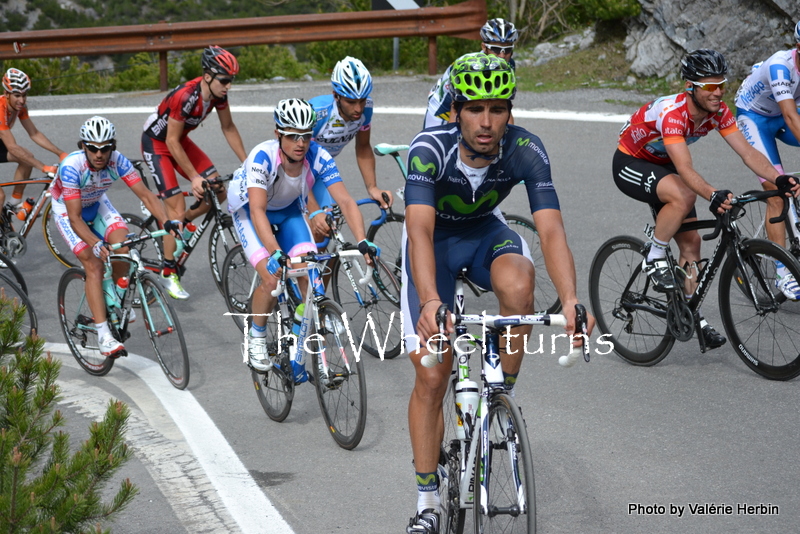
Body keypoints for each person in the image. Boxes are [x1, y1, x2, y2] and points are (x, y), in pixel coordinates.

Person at [402, 53, 593, 534]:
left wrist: (570, 299)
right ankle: (427, 500)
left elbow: (550, 230)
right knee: (432, 375)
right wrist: (429, 301)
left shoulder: (527, 149)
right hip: (436, 246)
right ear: (455, 109)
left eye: (498, 108)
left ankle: (499, 399)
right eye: (474, 109)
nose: (486, 123)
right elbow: (420, 232)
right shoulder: (428, 149)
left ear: (510, 111)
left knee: (520, 283)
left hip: (486, 231)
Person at [613, 49, 800, 351]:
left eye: (722, 84)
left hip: (665, 163)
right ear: (691, 87)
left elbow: (748, 152)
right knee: (684, 194)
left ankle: (690, 314)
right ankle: (655, 254)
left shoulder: (719, 111)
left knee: (692, 245)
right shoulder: (673, 114)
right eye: (710, 86)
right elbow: (685, 169)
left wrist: (776, 177)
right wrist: (712, 194)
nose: (719, 92)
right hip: (631, 162)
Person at [227, 98, 377, 383]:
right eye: (293, 136)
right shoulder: (262, 157)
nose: (300, 143)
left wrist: (362, 242)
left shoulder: (318, 156)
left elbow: (344, 199)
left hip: (287, 211)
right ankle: (256, 337)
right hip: (249, 211)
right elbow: (257, 210)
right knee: (272, 277)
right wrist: (274, 253)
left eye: (306, 136)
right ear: (278, 135)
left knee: (311, 277)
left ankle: (299, 350)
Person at [51, 116, 180, 357]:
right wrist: (96, 243)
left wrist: (167, 221)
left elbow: (147, 196)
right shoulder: (71, 167)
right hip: (69, 212)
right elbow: (76, 218)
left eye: (105, 148)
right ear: (83, 146)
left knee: (126, 247)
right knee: (94, 264)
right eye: (93, 148)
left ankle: (117, 296)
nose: (99, 154)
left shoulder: (118, 161)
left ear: (113, 146)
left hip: (97, 203)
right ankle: (103, 336)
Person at [141, 45, 247, 299]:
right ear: (207, 76)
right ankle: (168, 272)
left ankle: (184, 223)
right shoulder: (186, 96)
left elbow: (229, 127)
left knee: (218, 190)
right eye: (224, 80)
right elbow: (171, 142)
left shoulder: (218, 95)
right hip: (158, 143)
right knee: (175, 208)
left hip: (179, 140)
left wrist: (247, 162)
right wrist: (195, 177)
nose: (228, 86)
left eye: (231, 80)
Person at [734, 20, 800, 299]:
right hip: (754, 117)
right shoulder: (780, 65)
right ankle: (781, 272)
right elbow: (789, 115)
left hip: (783, 115)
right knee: (777, 194)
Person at [306, 56, 393, 242]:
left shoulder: (366, 108)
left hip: (321, 170)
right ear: (336, 95)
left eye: (362, 100)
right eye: (351, 102)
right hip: (298, 170)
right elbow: (296, 165)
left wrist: (373, 187)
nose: (358, 108)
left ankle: (322, 270)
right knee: (316, 229)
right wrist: (313, 210)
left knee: (329, 232)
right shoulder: (317, 113)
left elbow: (363, 147)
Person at [423, 18, 518, 129]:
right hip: (443, 107)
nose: (502, 55)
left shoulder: (509, 65)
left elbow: (505, 104)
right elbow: (456, 107)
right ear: (484, 47)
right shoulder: (470, 66)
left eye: (507, 50)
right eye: (496, 49)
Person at [0, 68, 67, 211]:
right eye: (17, 95)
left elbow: (34, 133)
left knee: (27, 158)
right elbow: (12, 147)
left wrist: (60, 153)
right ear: (6, 93)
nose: (22, 100)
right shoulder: (0, 109)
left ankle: (13, 205)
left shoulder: (20, 107)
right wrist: (43, 167)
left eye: (24, 95)